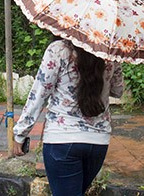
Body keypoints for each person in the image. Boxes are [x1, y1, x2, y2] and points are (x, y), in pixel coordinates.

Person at [13, 38, 124, 196]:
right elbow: (117, 90)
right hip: (98, 142)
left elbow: (39, 94)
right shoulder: (109, 52)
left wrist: (20, 133)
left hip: (62, 140)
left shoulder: (58, 50)